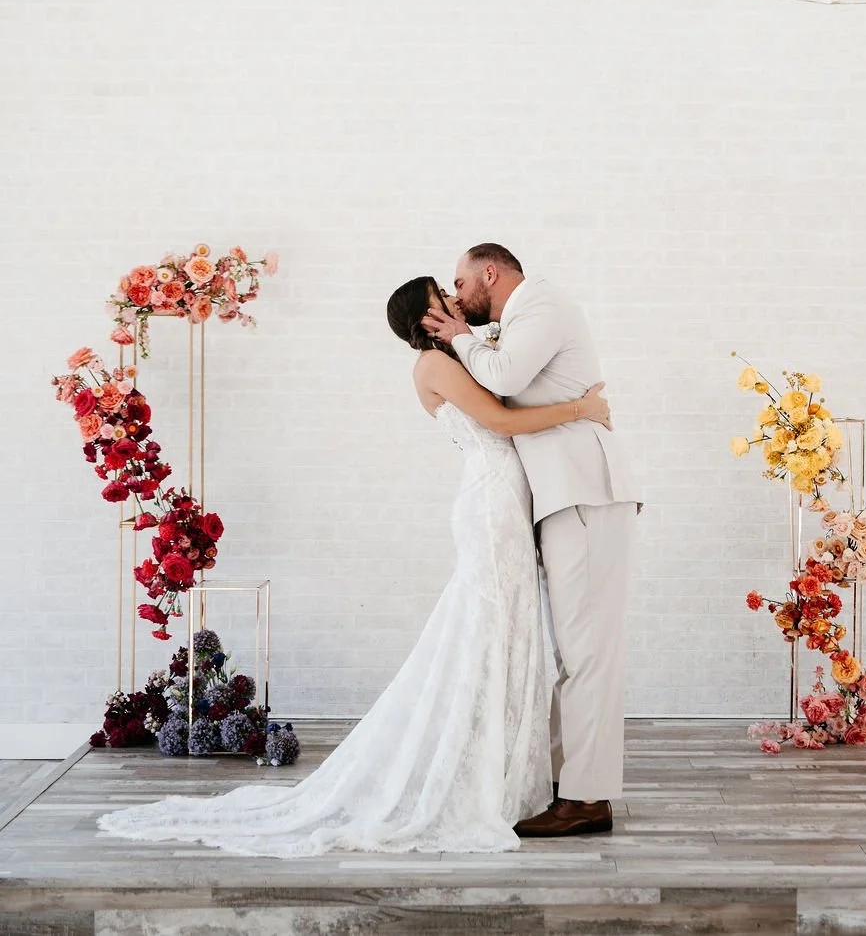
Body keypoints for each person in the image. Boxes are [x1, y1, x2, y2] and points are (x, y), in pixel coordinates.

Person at [96, 275, 612, 856]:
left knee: (511, 638)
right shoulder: (433, 366)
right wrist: (582, 407)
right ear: (425, 317)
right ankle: (478, 777)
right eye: (444, 296)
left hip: (508, 501)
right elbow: (501, 423)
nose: (454, 299)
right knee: (490, 636)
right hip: (492, 506)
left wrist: (476, 337)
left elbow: (506, 376)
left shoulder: (461, 357)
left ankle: (505, 773)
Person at [423, 243, 639, 838]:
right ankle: (567, 786)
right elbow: (501, 396)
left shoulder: (539, 303)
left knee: (587, 652)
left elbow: (506, 377)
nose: (457, 295)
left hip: (586, 491)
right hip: (562, 496)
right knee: (575, 652)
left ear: (489, 273)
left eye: (461, 283)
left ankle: (587, 799)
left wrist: (461, 335)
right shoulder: (512, 323)